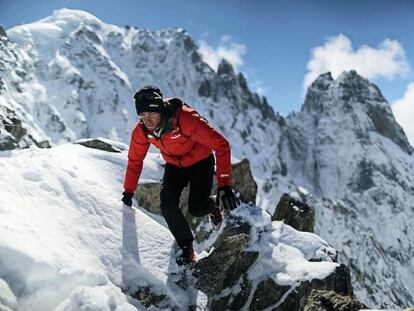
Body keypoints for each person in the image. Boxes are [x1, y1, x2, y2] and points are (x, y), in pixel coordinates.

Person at [121, 84, 240, 264]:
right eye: (143, 115)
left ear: (161, 110)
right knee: (167, 205)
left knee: (196, 208)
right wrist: (128, 191)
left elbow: (221, 144)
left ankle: (213, 206)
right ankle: (187, 248)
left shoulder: (185, 119)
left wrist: (224, 184)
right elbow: (135, 160)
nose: (148, 120)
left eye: (151, 113)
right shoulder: (143, 131)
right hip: (174, 166)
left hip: (200, 161)